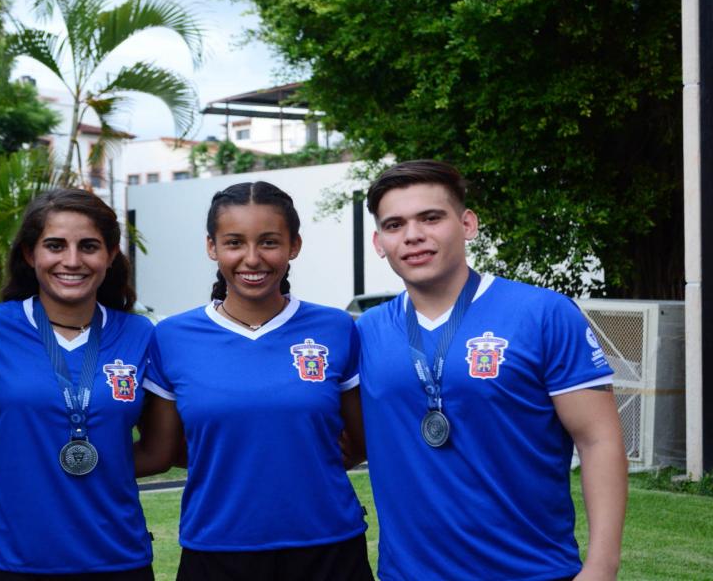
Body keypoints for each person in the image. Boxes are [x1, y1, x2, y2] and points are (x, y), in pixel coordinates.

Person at [357, 160, 628, 580]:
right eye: (395, 225)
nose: (413, 235)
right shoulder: (365, 332)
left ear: (467, 224)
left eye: (431, 218)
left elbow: (599, 441)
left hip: (533, 571)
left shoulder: (544, 314)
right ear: (379, 242)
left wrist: (602, 567)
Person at [141, 181, 373, 581]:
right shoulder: (172, 336)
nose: (252, 258)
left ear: (294, 246)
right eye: (234, 243)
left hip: (329, 549)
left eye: (269, 242)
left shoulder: (335, 327)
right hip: (217, 550)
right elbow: (166, 450)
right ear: (212, 247)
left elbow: (361, 439)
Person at [0, 189, 166, 580]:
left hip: (116, 558)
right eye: (55, 245)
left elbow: (158, 451)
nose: (72, 260)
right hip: (5, 559)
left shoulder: (140, 334)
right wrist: (20, 456)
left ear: (110, 255)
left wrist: (99, 465)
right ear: (30, 254)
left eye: (89, 246)